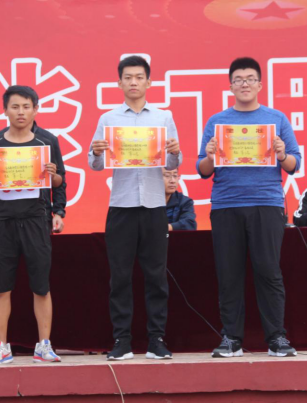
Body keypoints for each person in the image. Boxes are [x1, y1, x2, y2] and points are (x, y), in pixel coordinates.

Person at [197, 57, 301, 358]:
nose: (244, 84)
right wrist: (210, 156)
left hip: (266, 203)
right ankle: (231, 338)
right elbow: (202, 170)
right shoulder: (217, 122)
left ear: (260, 84)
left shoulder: (276, 119)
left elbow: (294, 164)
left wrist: (281, 154)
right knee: (229, 274)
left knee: (268, 271)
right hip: (226, 204)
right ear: (230, 86)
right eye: (239, 79)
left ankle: (277, 338)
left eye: (250, 79)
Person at [88, 56, 182, 361]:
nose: (133, 82)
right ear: (119, 83)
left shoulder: (163, 117)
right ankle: (122, 340)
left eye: (139, 77)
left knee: (156, 276)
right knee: (120, 277)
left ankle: (156, 339)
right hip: (122, 205)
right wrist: (97, 153)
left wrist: (174, 153)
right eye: (127, 77)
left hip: (154, 205)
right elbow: (95, 164)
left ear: (149, 82)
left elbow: (173, 163)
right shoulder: (108, 119)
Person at [0, 85, 65, 364]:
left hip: (37, 218)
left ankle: (44, 345)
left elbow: (60, 180)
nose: (21, 112)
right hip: (4, 220)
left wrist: (58, 210)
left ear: (36, 109)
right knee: (0, 287)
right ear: (5, 110)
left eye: (26, 106)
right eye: (15, 106)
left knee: (41, 286)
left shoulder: (47, 141)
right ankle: (1, 346)